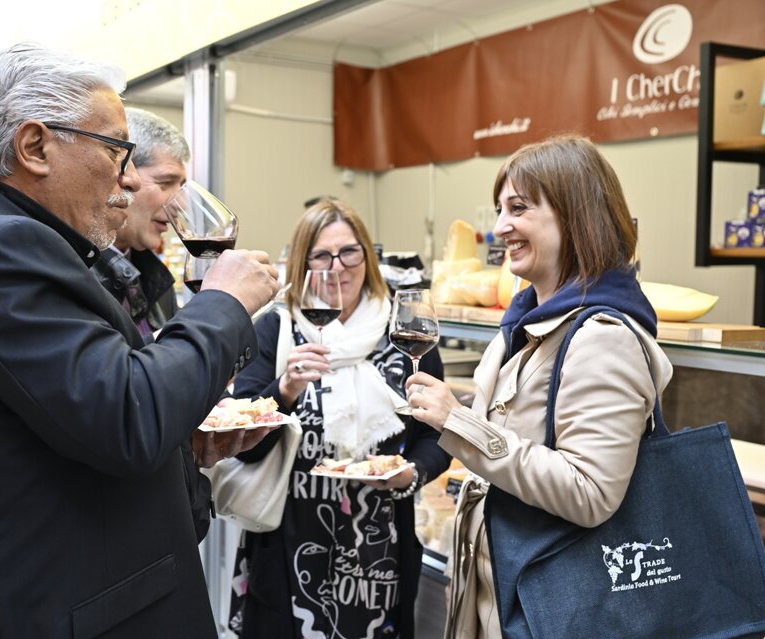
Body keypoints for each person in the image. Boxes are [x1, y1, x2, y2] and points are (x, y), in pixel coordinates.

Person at [0, 43, 280, 639]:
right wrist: (224, 303)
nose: (128, 178)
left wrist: (181, 447)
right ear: (35, 147)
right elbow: (128, 416)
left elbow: (64, 423)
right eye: (116, 150)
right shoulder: (1, 252)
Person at [404, 135, 673, 638]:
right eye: (500, 209)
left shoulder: (602, 337)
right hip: (506, 595)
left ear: (573, 215)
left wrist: (457, 421)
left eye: (519, 208)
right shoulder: (526, 322)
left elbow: (591, 491)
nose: (501, 227)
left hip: (553, 608)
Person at [227, 197, 453, 638]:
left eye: (350, 252)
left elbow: (437, 434)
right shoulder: (277, 330)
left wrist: (413, 472)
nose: (338, 267)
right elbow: (242, 447)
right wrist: (285, 390)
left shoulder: (401, 332)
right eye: (322, 256)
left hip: (379, 544)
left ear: (367, 255)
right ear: (302, 262)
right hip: (290, 542)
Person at [91, 106, 261, 540]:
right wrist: (225, 305)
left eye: (183, 187)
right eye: (166, 183)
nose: (177, 203)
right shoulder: (82, 276)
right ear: (122, 175)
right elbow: (119, 415)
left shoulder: (152, 278)